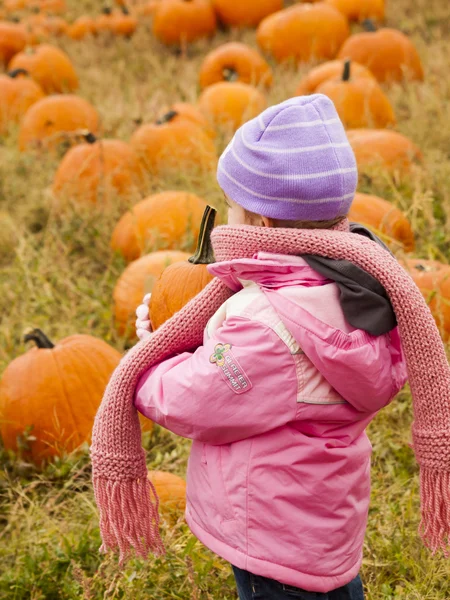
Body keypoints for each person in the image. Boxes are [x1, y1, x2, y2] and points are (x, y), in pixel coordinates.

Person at [132, 95, 408, 600]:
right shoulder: (354, 290)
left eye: (233, 207)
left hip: (271, 539)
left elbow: (196, 397)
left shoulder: (267, 325)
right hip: (322, 532)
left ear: (260, 226)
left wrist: (153, 357)